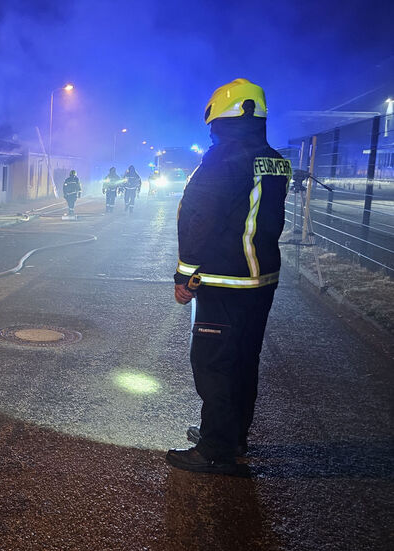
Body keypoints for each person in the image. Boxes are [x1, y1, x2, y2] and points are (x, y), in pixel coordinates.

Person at [168, 78, 292, 474]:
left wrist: (184, 275)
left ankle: (215, 449)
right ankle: (231, 434)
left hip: (224, 279)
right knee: (243, 359)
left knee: (213, 362)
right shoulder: (274, 159)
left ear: (222, 114)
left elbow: (198, 218)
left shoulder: (221, 160)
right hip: (261, 280)